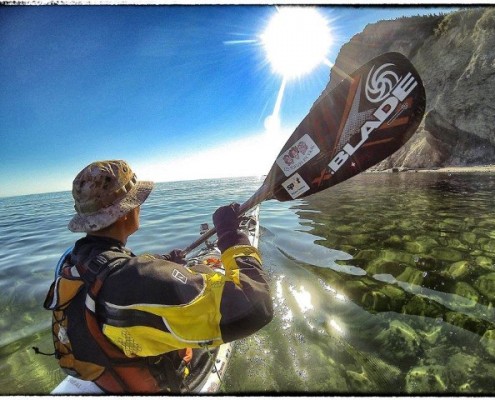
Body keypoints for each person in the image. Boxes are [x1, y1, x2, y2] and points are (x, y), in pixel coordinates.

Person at [43, 160, 273, 393]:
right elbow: (257, 305)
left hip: (105, 370)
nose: (139, 207)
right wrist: (231, 236)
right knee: (206, 344)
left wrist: (159, 262)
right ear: (125, 213)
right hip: (155, 381)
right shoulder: (139, 280)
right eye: (137, 201)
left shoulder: (72, 259)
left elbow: (114, 268)